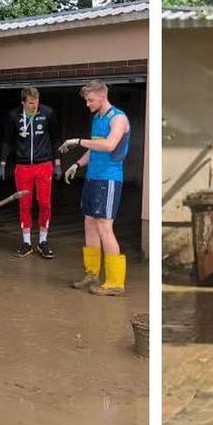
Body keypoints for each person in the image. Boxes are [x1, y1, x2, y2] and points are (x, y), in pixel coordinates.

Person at [59, 80, 131, 296]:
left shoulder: (118, 118)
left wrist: (77, 141)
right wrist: (77, 164)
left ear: (102, 96)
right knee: (89, 222)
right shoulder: (97, 118)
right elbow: (95, 147)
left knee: (104, 226)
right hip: (92, 177)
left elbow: (108, 145)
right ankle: (92, 274)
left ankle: (115, 283)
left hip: (108, 179)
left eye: (90, 100)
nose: (87, 104)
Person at [0, 86, 62, 259]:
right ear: (23, 102)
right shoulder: (14, 116)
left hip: (44, 164)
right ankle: (26, 242)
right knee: (24, 204)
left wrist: (57, 163)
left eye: (37, 102)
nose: (35, 106)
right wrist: (3, 164)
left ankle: (43, 241)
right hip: (23, 166)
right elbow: (7, 140)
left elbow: (56, 138)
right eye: (31, 103)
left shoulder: (48, 113)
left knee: (44, 203)